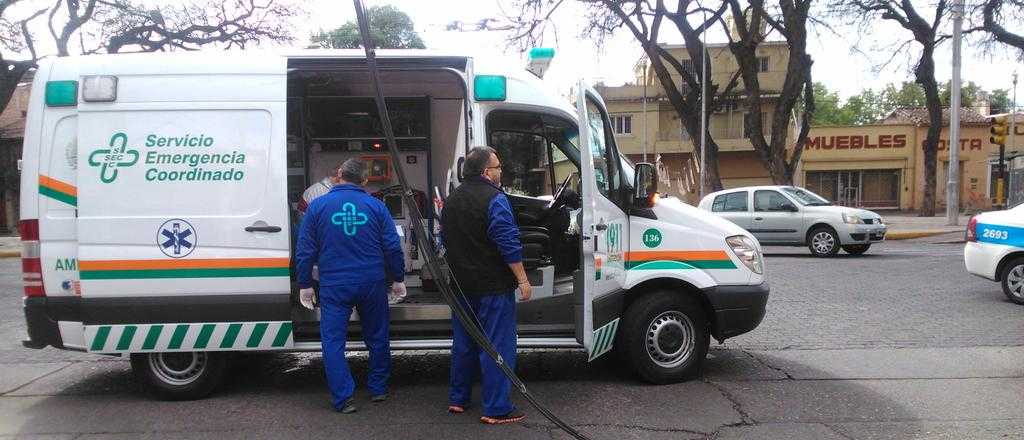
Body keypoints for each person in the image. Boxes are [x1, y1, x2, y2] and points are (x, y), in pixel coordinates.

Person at [295, 158, 406, 414]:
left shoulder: (317, 206)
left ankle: (343, 398)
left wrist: (305, 283)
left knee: (333, 341)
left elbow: (305, 249)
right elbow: (392, 247)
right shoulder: (376, 206)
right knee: (377, 337)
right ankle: (378, 388)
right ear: (364, 180)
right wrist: (398, 279)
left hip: (334, 284)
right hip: (371, 283)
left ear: (339, 174)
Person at [441, 146, 532, 425]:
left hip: (461, 287)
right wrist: (523, 279)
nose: (500, 171)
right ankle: (496, 408)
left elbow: (444, 239)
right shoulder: (495, 199)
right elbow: (508, 242)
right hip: (492, 287)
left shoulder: (451, 200)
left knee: (464, 344)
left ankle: (458, 399)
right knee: (497, 346)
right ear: (486, 172)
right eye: (498, 167)